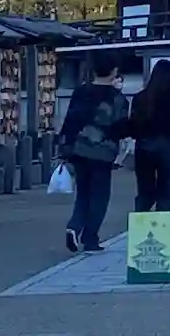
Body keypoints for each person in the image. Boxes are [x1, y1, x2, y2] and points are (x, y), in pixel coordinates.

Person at [57, 54, 130, 253]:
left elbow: (70, 121)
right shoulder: (117, 99)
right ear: (114, 71)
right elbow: (121, 128)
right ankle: (90, 238)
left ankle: (74, 226)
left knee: (83, 193)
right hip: (103, 152)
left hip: (79, 149)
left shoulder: (80, 92)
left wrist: (64, 147)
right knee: (100, 195)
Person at [128, 59, 170, 213]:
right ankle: (162, 221)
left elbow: (133, 124)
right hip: (165, 144)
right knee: (166, 190)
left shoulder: (140, 97)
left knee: (144, 189)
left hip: (143, 145)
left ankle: (142, 219)